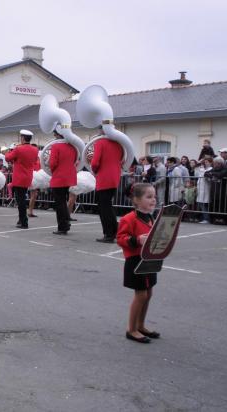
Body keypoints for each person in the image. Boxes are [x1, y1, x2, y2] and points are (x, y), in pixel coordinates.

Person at [117, 183, 159, 344]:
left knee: (149, 294)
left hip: (149, 259)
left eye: (154, 196)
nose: (153, 200)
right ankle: (131, 329)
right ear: (136, 200)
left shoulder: (150, 216)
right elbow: (121, 238)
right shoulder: (129, 218)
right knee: (141, 294)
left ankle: (140, 325)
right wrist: (136, 240)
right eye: (148, 197)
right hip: (135, 261)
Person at [90, 126, 124, 242]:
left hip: (104, 178)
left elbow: (95, 162)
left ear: (102, 130)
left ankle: (109, 234)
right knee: (108, 206)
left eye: (99, 129)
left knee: (104, 208)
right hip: (114, 177)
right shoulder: (119, 143)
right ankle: (114, 230)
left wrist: (94, 171)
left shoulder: (100, 142)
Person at [5, 130, 39, 229]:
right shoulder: (35, 149)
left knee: (20, 201)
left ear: (23, 138)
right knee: (22, 199)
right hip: (28, 176)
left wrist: (11, 150)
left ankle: (24, 222)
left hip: (19, 177)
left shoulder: (18, 149)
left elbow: (7, 158)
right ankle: (21, 220)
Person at [49, 133, 78, 235]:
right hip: (69, 177)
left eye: (55, 134)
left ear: (58, 135)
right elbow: (75, 160)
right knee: (64, 201)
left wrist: (53, 171)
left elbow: (52, 163)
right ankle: (66, 222)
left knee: (60, 203)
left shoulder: (55, 146)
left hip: (59, 177)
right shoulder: (72, 146)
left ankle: (62, 226)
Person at [196, 157, 213, 223]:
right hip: (200, 188)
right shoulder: (203, 169)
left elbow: (207, 178)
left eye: (207, 162)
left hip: (206, 188)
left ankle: (206, 218)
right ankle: (204, 218)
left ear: (210, 162)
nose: (205, 163)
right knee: (201, 203)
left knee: (203, 204)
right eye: (205, 162)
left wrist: (202, 170)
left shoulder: (210, 169)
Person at [27, 145, 41, 218]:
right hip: (32, 176)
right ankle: (30, 211)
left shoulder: (38, 157)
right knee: (34, 195)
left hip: (37, 177)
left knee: (34, 195)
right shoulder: (30, 157)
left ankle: (30, 211)